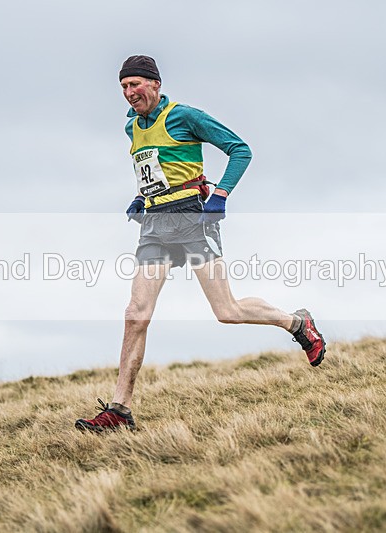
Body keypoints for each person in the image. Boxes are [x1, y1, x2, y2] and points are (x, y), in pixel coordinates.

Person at [75, 55, 326, 432]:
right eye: (124, 87)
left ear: (155, 84)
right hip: (155, 225)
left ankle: (296, 323)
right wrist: (144, 197)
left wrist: (220, 195)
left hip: (194, 218)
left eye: (135, 85)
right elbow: (159, 169)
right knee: (135, 314)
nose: (129, 93)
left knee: (227, 310)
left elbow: (240, 149)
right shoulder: (132, 128)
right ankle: (120, 411)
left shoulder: (184, 116)